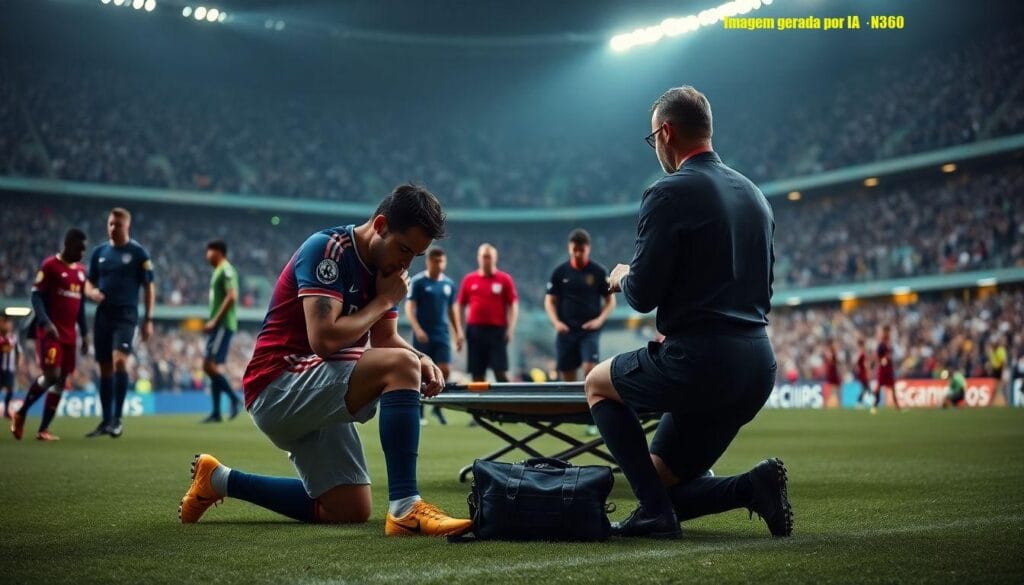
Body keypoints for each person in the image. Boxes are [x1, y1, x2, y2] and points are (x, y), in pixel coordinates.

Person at [179, 184, 471, 536]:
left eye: (416, 256)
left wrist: (421, 356)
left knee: (348, 507)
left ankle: (219, 479)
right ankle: (406, 507)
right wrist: (384, 302)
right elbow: (324, 340)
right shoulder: (328, 250)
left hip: (318, 387)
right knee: (400, 365)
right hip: (277, 384)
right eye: (404, 249)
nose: (406, 264)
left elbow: (385, 339)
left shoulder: (385, 269)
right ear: (380, 225)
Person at [585, 86, 791, 539]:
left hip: (700, 362)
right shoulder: (755, 195)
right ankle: (750, 487)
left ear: (666, 133)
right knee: (658, 480)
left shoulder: (667, 191)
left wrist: (623, 275)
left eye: (652, 139)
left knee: (597, 383)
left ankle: (653, 516)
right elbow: (764, 288)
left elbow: (642, 295)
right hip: (757, 364)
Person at [10, 229, 89, 441]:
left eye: (84, 249)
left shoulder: (81, 272)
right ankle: (21, 412)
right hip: (50, 332)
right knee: (52, 375)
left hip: (70, 336)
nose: (82, 253)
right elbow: (36, 297)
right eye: (79, 248)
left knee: (62, 380)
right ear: (68, 244)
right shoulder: (50, 266)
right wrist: (45, 322)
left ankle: (43, 429)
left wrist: (85, 334)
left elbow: (80, 307)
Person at [84, 207, 155, 438]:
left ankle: (117, 419)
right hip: (103, 315)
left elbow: (149, 287)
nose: (113, 228)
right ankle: (106, 421)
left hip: (126, 315)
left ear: (128, 226)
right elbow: (88, 282)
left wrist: (148, 319)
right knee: (104, 367)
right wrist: (91, 292)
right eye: (111, 224)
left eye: (118, 224)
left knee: (120, 362)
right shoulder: (99, 252)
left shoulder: (138, 253)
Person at [544, 229, 616, 382]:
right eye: (574, 249)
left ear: (588, 248)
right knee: (567, 374)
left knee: (589, 368)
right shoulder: (559, 272)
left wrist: (599, 321)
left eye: (581, 250)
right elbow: (549, 301)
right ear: (569, 248)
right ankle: (573, 399)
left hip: (589, 330)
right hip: (566, 330)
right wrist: (556, 323)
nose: (577, 254)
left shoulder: (598, 272)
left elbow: (610, 301)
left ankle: (589, 397)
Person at [405, 247, 461, 425]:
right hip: (424, 334)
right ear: (428, 262)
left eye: (441, 261)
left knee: (445, 370)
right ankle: (420, 410)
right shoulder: (418, 281)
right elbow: (410, 307)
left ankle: (438, 407)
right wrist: (417, 329)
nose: (438, 264)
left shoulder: (449, 284)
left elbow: (452, 310)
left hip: (442, 334)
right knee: (422, 372)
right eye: (435, 261)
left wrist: (458, 332)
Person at [456, 244, 518, 382]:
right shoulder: (469, 279)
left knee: (500, 372)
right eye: (484, 257)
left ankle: (507, 397)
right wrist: (459, 330)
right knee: (477, 375)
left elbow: (513, 304)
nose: (486, 260)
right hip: (475, 331)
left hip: (497, 331)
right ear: (478, 258)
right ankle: (479, 398)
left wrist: (510, 329)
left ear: (495, 258)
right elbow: (459, 304)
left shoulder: (504, 279)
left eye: (489, 257)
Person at [200, 239, 242, 423]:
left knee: (208, 365)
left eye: (209, 251)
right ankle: (216, 412)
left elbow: (232, 296)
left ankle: (234, 399)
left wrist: (215, 321)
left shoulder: (226, 270)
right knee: (212, 367)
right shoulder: (218, 271)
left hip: (222, 325)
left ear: (218, 252)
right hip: (219, 325)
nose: (207, 255)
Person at [874, 324, 901, 413]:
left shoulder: (889, 343)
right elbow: (877, 355)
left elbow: (890, 354)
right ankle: (875, 404)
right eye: (887, 331)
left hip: (889, 368)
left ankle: (897, 406)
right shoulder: (882, 343)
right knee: (879, 386)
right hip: (883, 368)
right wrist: (881, 360)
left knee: (892, 386)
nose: (888, 333)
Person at [0, 314, 20, 419]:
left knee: (10, 390)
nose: (9, 325)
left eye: (10, 323)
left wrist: (17, 364)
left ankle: (6, 411)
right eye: (7, 323)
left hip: (10, 368)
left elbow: (18, 351)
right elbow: (5, 349)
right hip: (1, 368)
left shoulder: (14, 337)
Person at [854, 337, 872, 408]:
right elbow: (865, 364)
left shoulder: (859, 353)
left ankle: (860, 401)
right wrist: (868, 371)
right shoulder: (862, 353)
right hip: (863, 373)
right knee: (866, 387)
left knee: (865, 387)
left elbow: (857, 363)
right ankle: (860, 401)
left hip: (861, 372)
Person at [823, 339, 842, 407]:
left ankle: (838, 403)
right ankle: (826, 403)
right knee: (833, 388)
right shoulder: (830, 353)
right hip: (832, 372)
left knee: (836, 388)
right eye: (834, 344)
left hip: (833, 372)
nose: (835, 345)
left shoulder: (833, 352)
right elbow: (830, 361)